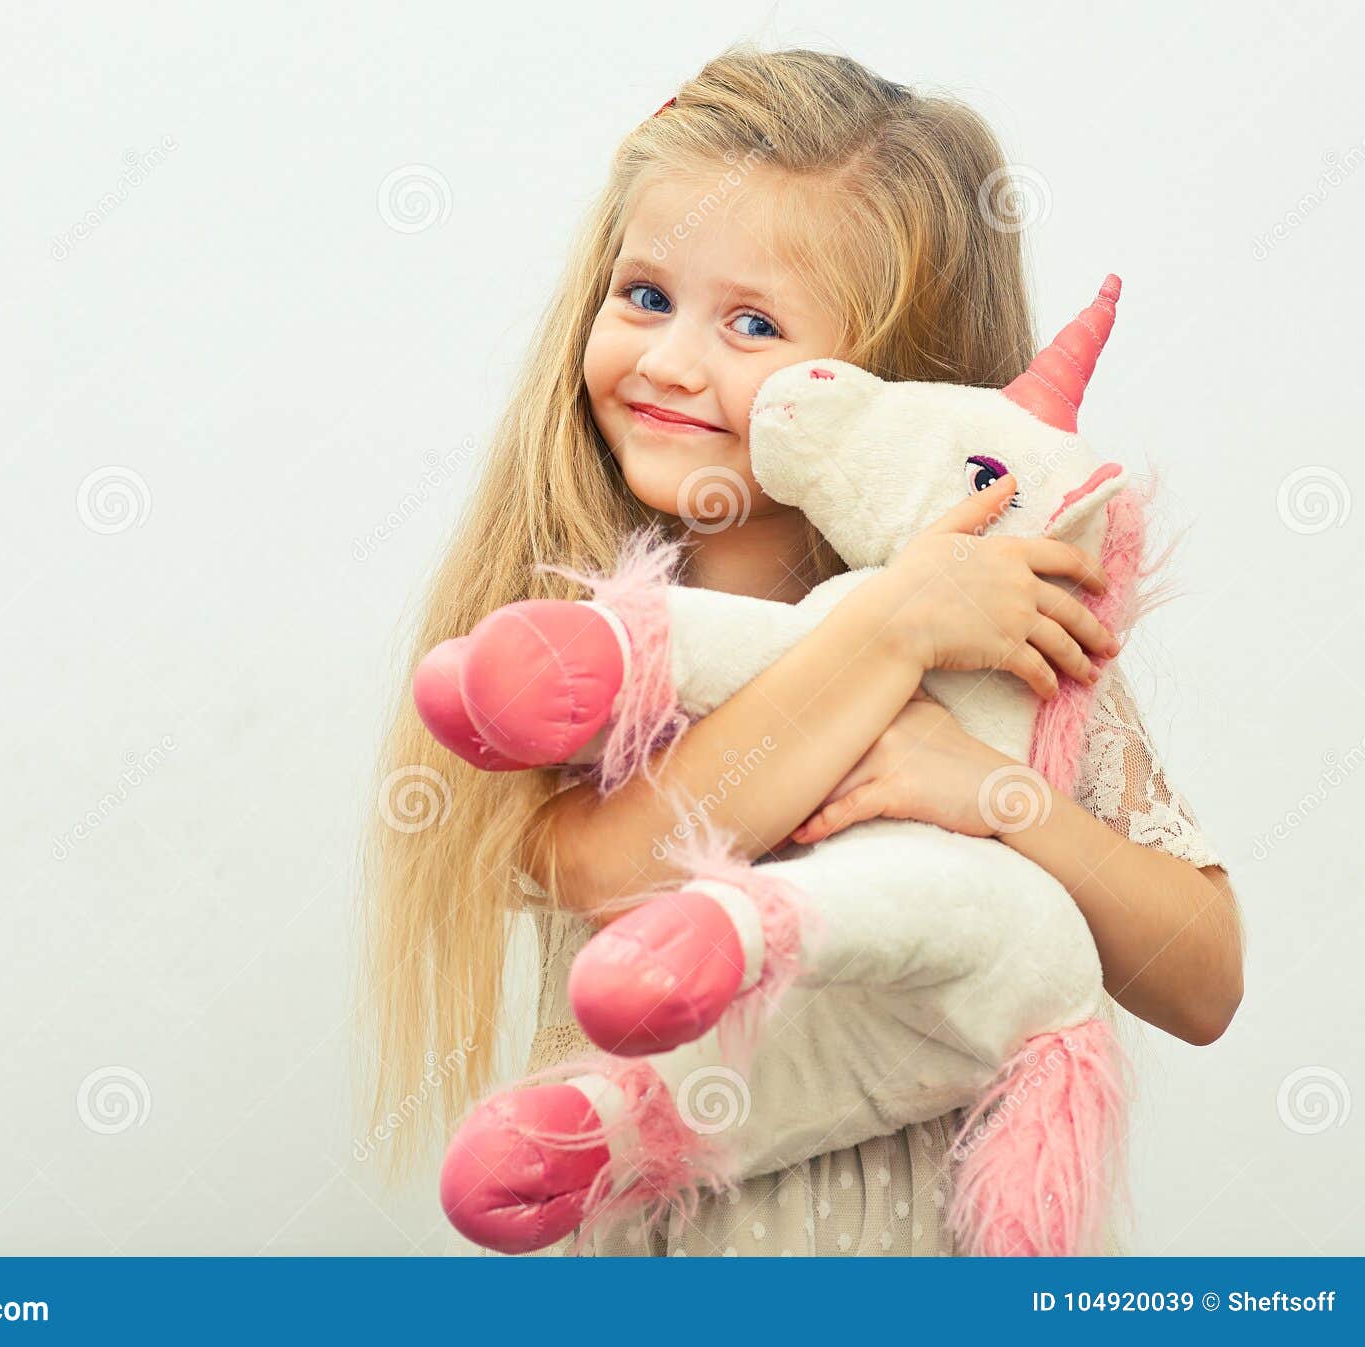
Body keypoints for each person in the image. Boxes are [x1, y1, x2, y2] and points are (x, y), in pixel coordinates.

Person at [358, 43, 1244, 1256]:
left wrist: (984, 791)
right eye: (646, 296)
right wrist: (889, 631)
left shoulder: (999, 626)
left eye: (753, 324)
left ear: (886, 382)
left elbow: (1203, 982)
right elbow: (618, 876)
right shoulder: (576, 649)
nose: (668, 361)